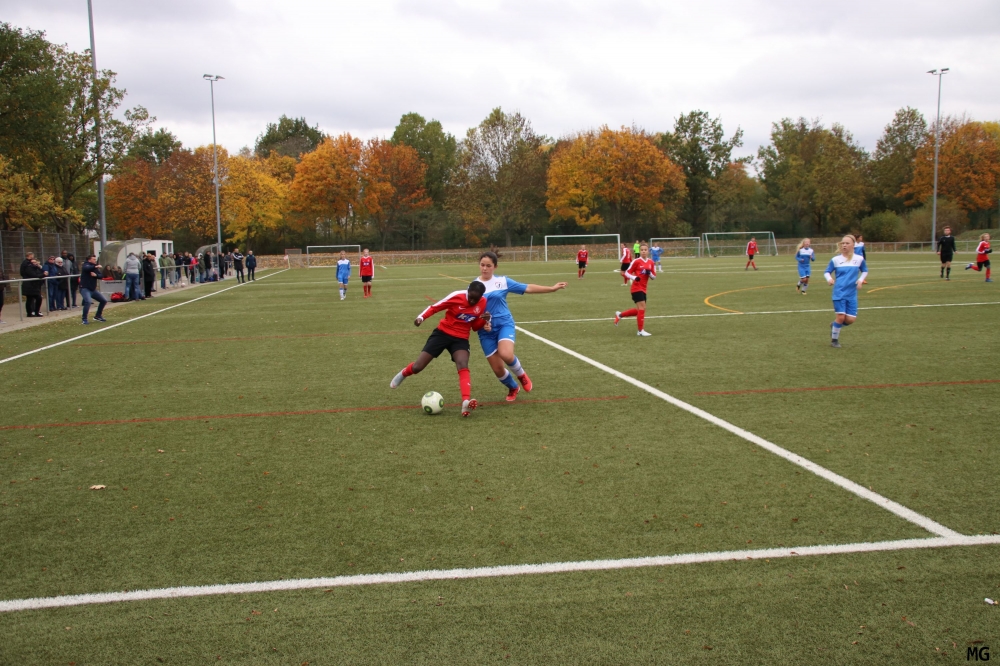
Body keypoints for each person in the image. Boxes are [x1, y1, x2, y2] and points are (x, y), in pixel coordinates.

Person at [476, 251, 567, 402]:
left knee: (506, 354)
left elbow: (527, 288)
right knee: (498, 370)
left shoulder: (503, 281)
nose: (485, 268)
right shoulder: (474, 286)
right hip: (485, 331)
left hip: (504, 324)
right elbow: (473, 311)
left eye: (488, 266)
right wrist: (482, 323)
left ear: (495, 267)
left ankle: (522, 375)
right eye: (482, 265)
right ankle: (513, 387)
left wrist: (552, 288)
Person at [390, 281, 490, 417]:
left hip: (461, 338)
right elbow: (435, 307)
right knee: (418, 367)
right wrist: (421, 317)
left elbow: (475, 327)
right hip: (442, 333)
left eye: (475, 299)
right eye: (471, 297)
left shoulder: (483, 302)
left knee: (463, 364)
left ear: (481, 297)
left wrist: (484, 320)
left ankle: (465, 402)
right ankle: (404, 373)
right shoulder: (457, 296)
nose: (472, 301)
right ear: (467, 291)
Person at [824, 235, 868, 348]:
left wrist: (860, 280)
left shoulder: (859, 259)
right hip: (839, 292)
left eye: (847, 243)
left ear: (853, 245)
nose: (844, 245)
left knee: (850, 320)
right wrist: (829, 279)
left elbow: (864, 271)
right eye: (843, 243)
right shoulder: (836, 260)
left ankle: (834, 326)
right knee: (841, 317)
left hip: (852, 293)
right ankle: (834, 340)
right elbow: (827, 272)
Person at [614, 242, 656, 336]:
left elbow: (654, 277)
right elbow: (626, 272)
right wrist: (634, 277)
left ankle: (620, 315)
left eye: (645, 250)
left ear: (648, 251)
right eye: (642, 250)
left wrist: (649, 273)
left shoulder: (651, 262)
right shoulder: (636, 261)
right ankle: (640, 331)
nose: (643, 251)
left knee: (640, 310)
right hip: (636, 288)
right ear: (639, 251)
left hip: (644, 289)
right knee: (642, 308)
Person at [79, 254, 108, 324]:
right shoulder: (86, 265)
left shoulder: (94, 267)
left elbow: (101, 276)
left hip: (92, 289)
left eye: (95, 259)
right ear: (89, 260)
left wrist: (96, 275)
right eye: (93, 259)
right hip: (85, 288)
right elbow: (87, 268)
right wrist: (96, 266)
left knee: (103, 300)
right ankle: (84, 319)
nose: (95, 260)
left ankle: (98, 316)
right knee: (88, 302)